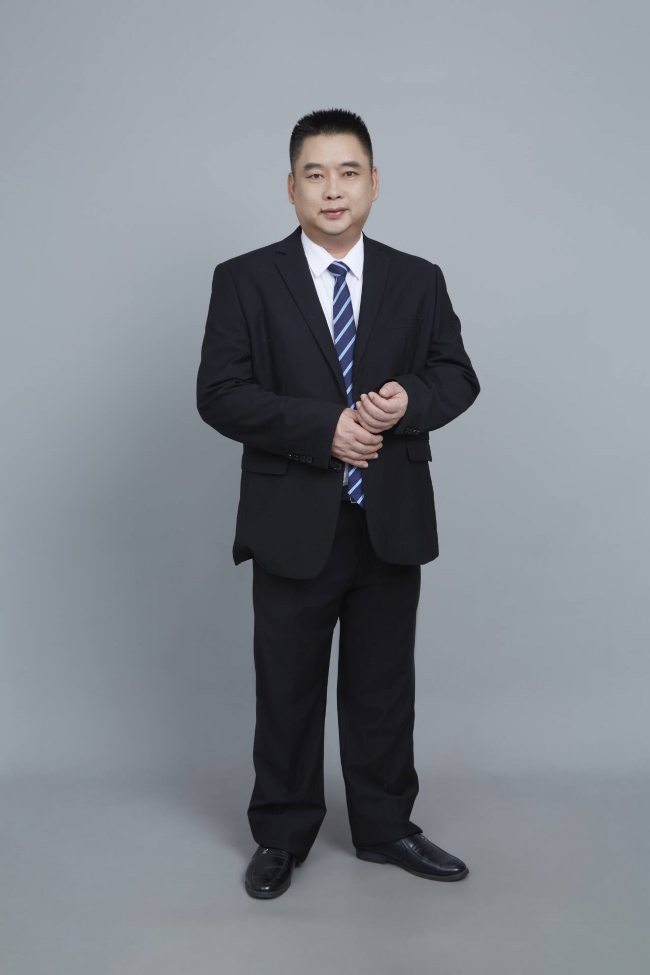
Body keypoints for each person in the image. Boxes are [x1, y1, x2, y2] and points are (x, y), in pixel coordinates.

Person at [196, 108, 480, 899]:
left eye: (348, 172)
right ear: (290, 187)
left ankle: (386, 827)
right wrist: (324, 429)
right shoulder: (245, 279)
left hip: (389, 516)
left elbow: (457, 375)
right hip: (293, 518)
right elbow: (219, 392)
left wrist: (409, 400)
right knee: (287, 686)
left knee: (383, 687)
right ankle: (282, 834)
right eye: (314, 174)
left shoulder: (418, 278)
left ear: (374, 183)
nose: (332, 189)